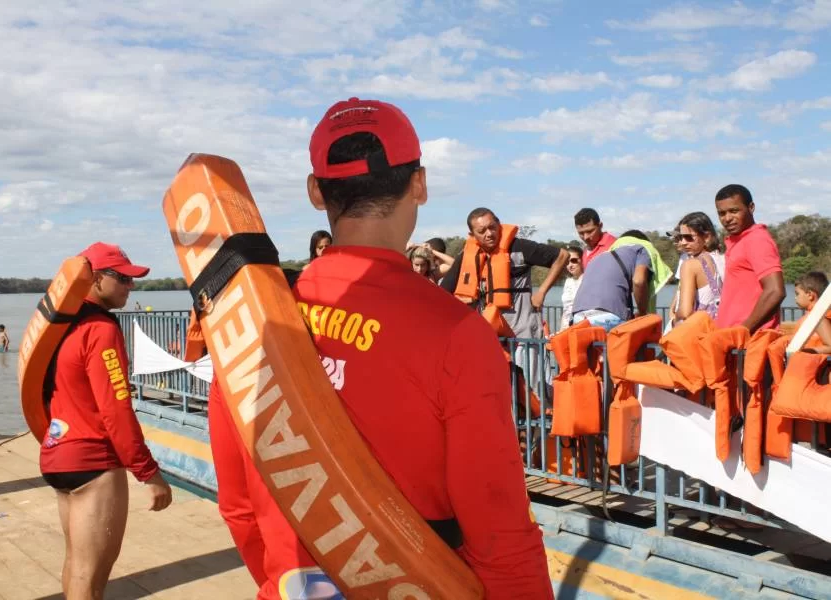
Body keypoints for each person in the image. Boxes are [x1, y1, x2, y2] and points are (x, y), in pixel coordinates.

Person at [208, 97, 553, 599]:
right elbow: (499, 534)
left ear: (315, 192)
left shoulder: (254, 321)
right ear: (420, 184)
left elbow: (238, 505)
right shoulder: (456, 334)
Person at [39, 242, 173, 599]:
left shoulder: (59, 325)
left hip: (57, 453)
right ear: (96, 279)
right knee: (90, 577)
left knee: (75, 565)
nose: (131, 287)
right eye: (124, 280)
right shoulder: (101, 329)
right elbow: (116, 410)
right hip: (94, 462)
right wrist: (148, 472)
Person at [441, 208, 568, 381]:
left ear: (499, 224)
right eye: (482, 231)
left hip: (523, 337)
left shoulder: (520, 247)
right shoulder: (466, 257)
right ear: (472, 234)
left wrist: (542, 292)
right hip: (489, 338)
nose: (489, 234)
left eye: (492, 227)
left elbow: (562, 256)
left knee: (531, 391)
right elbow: (442, 295)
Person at [714, 184, 785, 332]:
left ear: (751, 207)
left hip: (748, 344)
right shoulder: (739, 240)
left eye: (734, 211)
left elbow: (775, 291)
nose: (727, 218)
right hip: (732, 341)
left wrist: (743, 330)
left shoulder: (756, 240)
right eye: (722, 213)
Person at [570, 230, 655, 332]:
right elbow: (638, 281)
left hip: (578, 317)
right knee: (636, 341)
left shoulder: (597, 258)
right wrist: (642, 313)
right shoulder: (641, 250)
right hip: (607, 316)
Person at [673, 212, 724, 325]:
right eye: (680, 237)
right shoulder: (724, 259)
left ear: (706, 237)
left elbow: (685, 312)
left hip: (699, 333)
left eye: (689, 237)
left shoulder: (690, 265)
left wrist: (674, 320)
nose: (683, 242)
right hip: (721, 329)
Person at [793, 271, 831, 353]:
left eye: (797, 294)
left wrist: (804, 352)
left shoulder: (819, 318)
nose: (795, 298)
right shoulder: (814, 315)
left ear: (810, 295)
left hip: (814, 363)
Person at [559, 246, 584, 331]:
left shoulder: (587, 279)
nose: (570, 265)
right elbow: (565, 309)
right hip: (566, 327)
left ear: (582, 260)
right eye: (567, 262)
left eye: (574, 261)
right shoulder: (568, 281)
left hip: (580, 327)